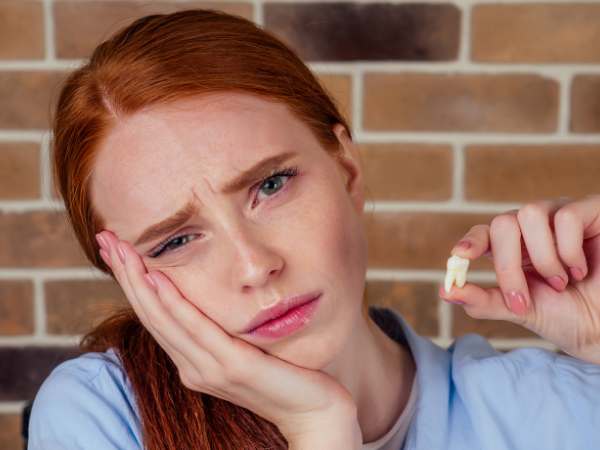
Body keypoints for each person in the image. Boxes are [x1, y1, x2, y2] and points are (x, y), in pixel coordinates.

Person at [27, 8, 600, 450]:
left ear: (347, 171)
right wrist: (318, 425)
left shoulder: (548, 409)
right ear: (131, 278)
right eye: (175, 241)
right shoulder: (102, 416)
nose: (255, 266)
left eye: (271, 186)